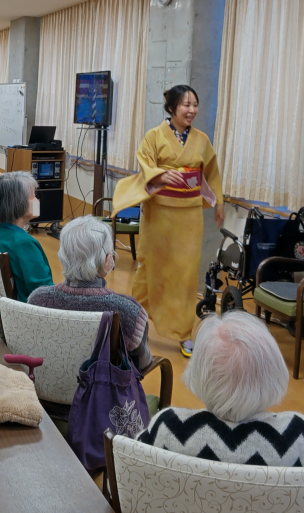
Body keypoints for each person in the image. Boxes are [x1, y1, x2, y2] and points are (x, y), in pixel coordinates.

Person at [137, 311, 304, 513]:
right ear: (273, 373)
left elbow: (130, 485)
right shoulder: (302, 436)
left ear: (198, 372)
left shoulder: (167, 427)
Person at [112, 85, 224, 358]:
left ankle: (184, 333)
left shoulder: (202, 140)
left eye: (195, 104)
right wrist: (161, 175)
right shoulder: (153, 136)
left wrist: (219, 202)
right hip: (159, 213)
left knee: (185, 274)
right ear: (172, 108)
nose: (192, 110)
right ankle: (134, 322)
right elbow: (145, 166)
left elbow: (211, 172)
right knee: (151, 267)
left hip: (189, 216)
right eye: (186, 104)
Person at [28, 216, 152, 370]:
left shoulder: (37, 299)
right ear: (107, 260)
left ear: (62, 256)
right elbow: (142, 364)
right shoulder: (128, 310)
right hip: (102, 385)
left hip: (46, 382)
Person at [0, 172, 53, 302]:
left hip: (6, 308)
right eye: (33, 196)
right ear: (18, 203)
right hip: (29, 309)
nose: (37, 200)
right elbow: (44, 292)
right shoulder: (24, 244)